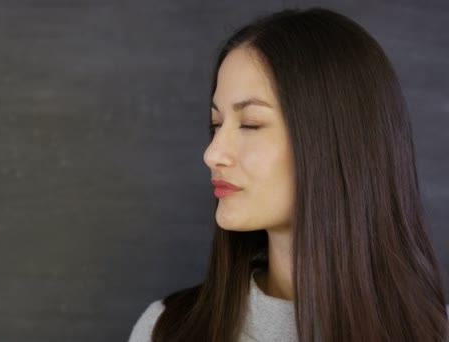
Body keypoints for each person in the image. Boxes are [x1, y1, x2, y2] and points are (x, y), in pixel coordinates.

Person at [128, 6, 449, 342]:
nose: (212, 153)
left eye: (250, 124)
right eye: (216, 124)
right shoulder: (165, 330)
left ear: (334, 140)